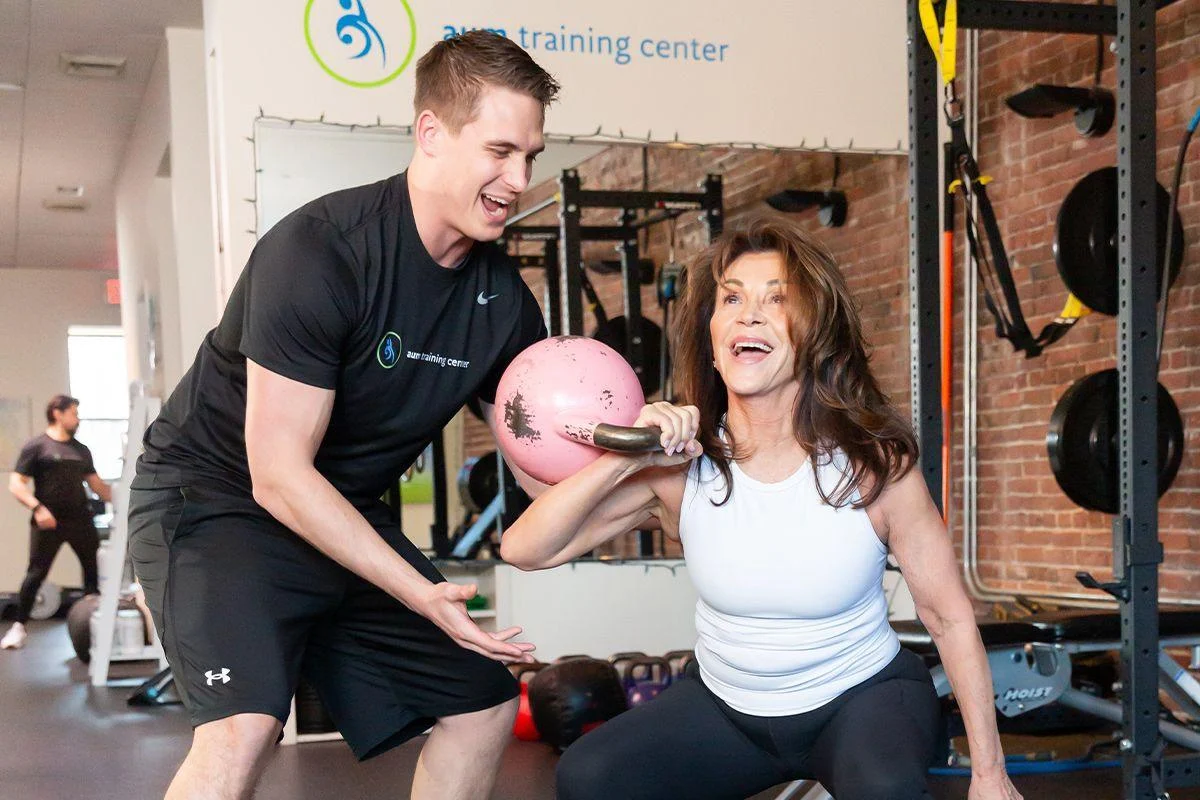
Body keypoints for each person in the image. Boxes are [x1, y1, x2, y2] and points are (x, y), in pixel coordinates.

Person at [126, 31, 558, 799]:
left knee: (484, 701)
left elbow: (539, 466)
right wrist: (422, 592)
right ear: (431, 133)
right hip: (220, 502)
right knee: (244, 728)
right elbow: (279, 474)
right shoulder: (322, 251)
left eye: (531, 155)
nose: (518, 179)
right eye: (499, 151)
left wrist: (636, 444)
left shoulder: (503, 306)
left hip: (340, 512)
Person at [499, 217, 1022, 800]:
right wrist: (629, 456)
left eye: (777, 299)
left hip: (861, 699)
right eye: (732, 298)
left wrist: (989, 772)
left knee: (886, 790)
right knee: (590, 775)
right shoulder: (681, 470)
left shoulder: (874, 467)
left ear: (813, 335)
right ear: (714, 339)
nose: (750, 313)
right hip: (727, 710)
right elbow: (524, 549)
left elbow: (949, 617)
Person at [4, 395, 111, 650]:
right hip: (48, 522)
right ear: (57, 413)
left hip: (80, 519)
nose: (78, 419)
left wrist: (129, 496)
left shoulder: (81, 449)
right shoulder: (37, 447)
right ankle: (18, 627)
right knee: (35, 574)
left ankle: (94, 631)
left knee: (92, 572)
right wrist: (38, 508)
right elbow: (16, 484)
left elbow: (99, 488)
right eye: (73, 413)